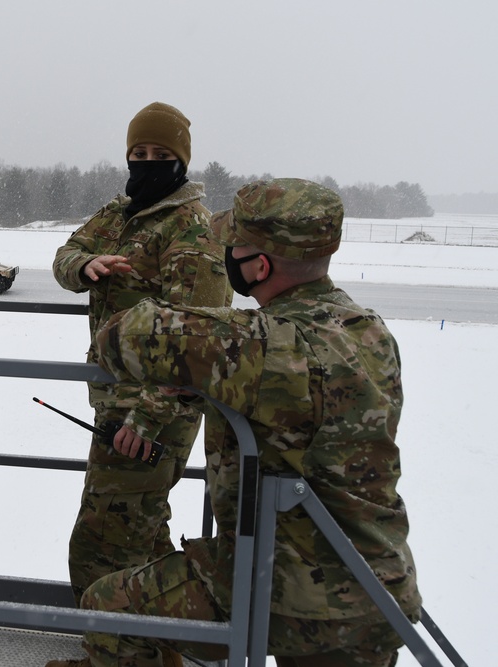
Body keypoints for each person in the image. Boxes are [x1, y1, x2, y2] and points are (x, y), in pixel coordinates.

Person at [50, 179, 421, 667]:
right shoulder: (369, 331)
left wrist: (193, 358)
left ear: (259, 265)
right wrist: (208, 384)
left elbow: (124, 334)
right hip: (375, 588)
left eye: (234, 245)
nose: (225, 252)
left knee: (106, 607)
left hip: (283, 591)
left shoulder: (259, 346)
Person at [51, 101, 231, 631]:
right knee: (140, 538)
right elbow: (65, 253)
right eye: (138, 153)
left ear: (182, 162)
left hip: (150, 419)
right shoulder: (118, 214)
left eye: (160, 155)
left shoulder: (191, 231)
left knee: (99, 550)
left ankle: (112, 652)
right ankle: (153, 650)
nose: (147, 162)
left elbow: (198, 338)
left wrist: (147, 417)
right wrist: (85, 266)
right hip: (116, 407)